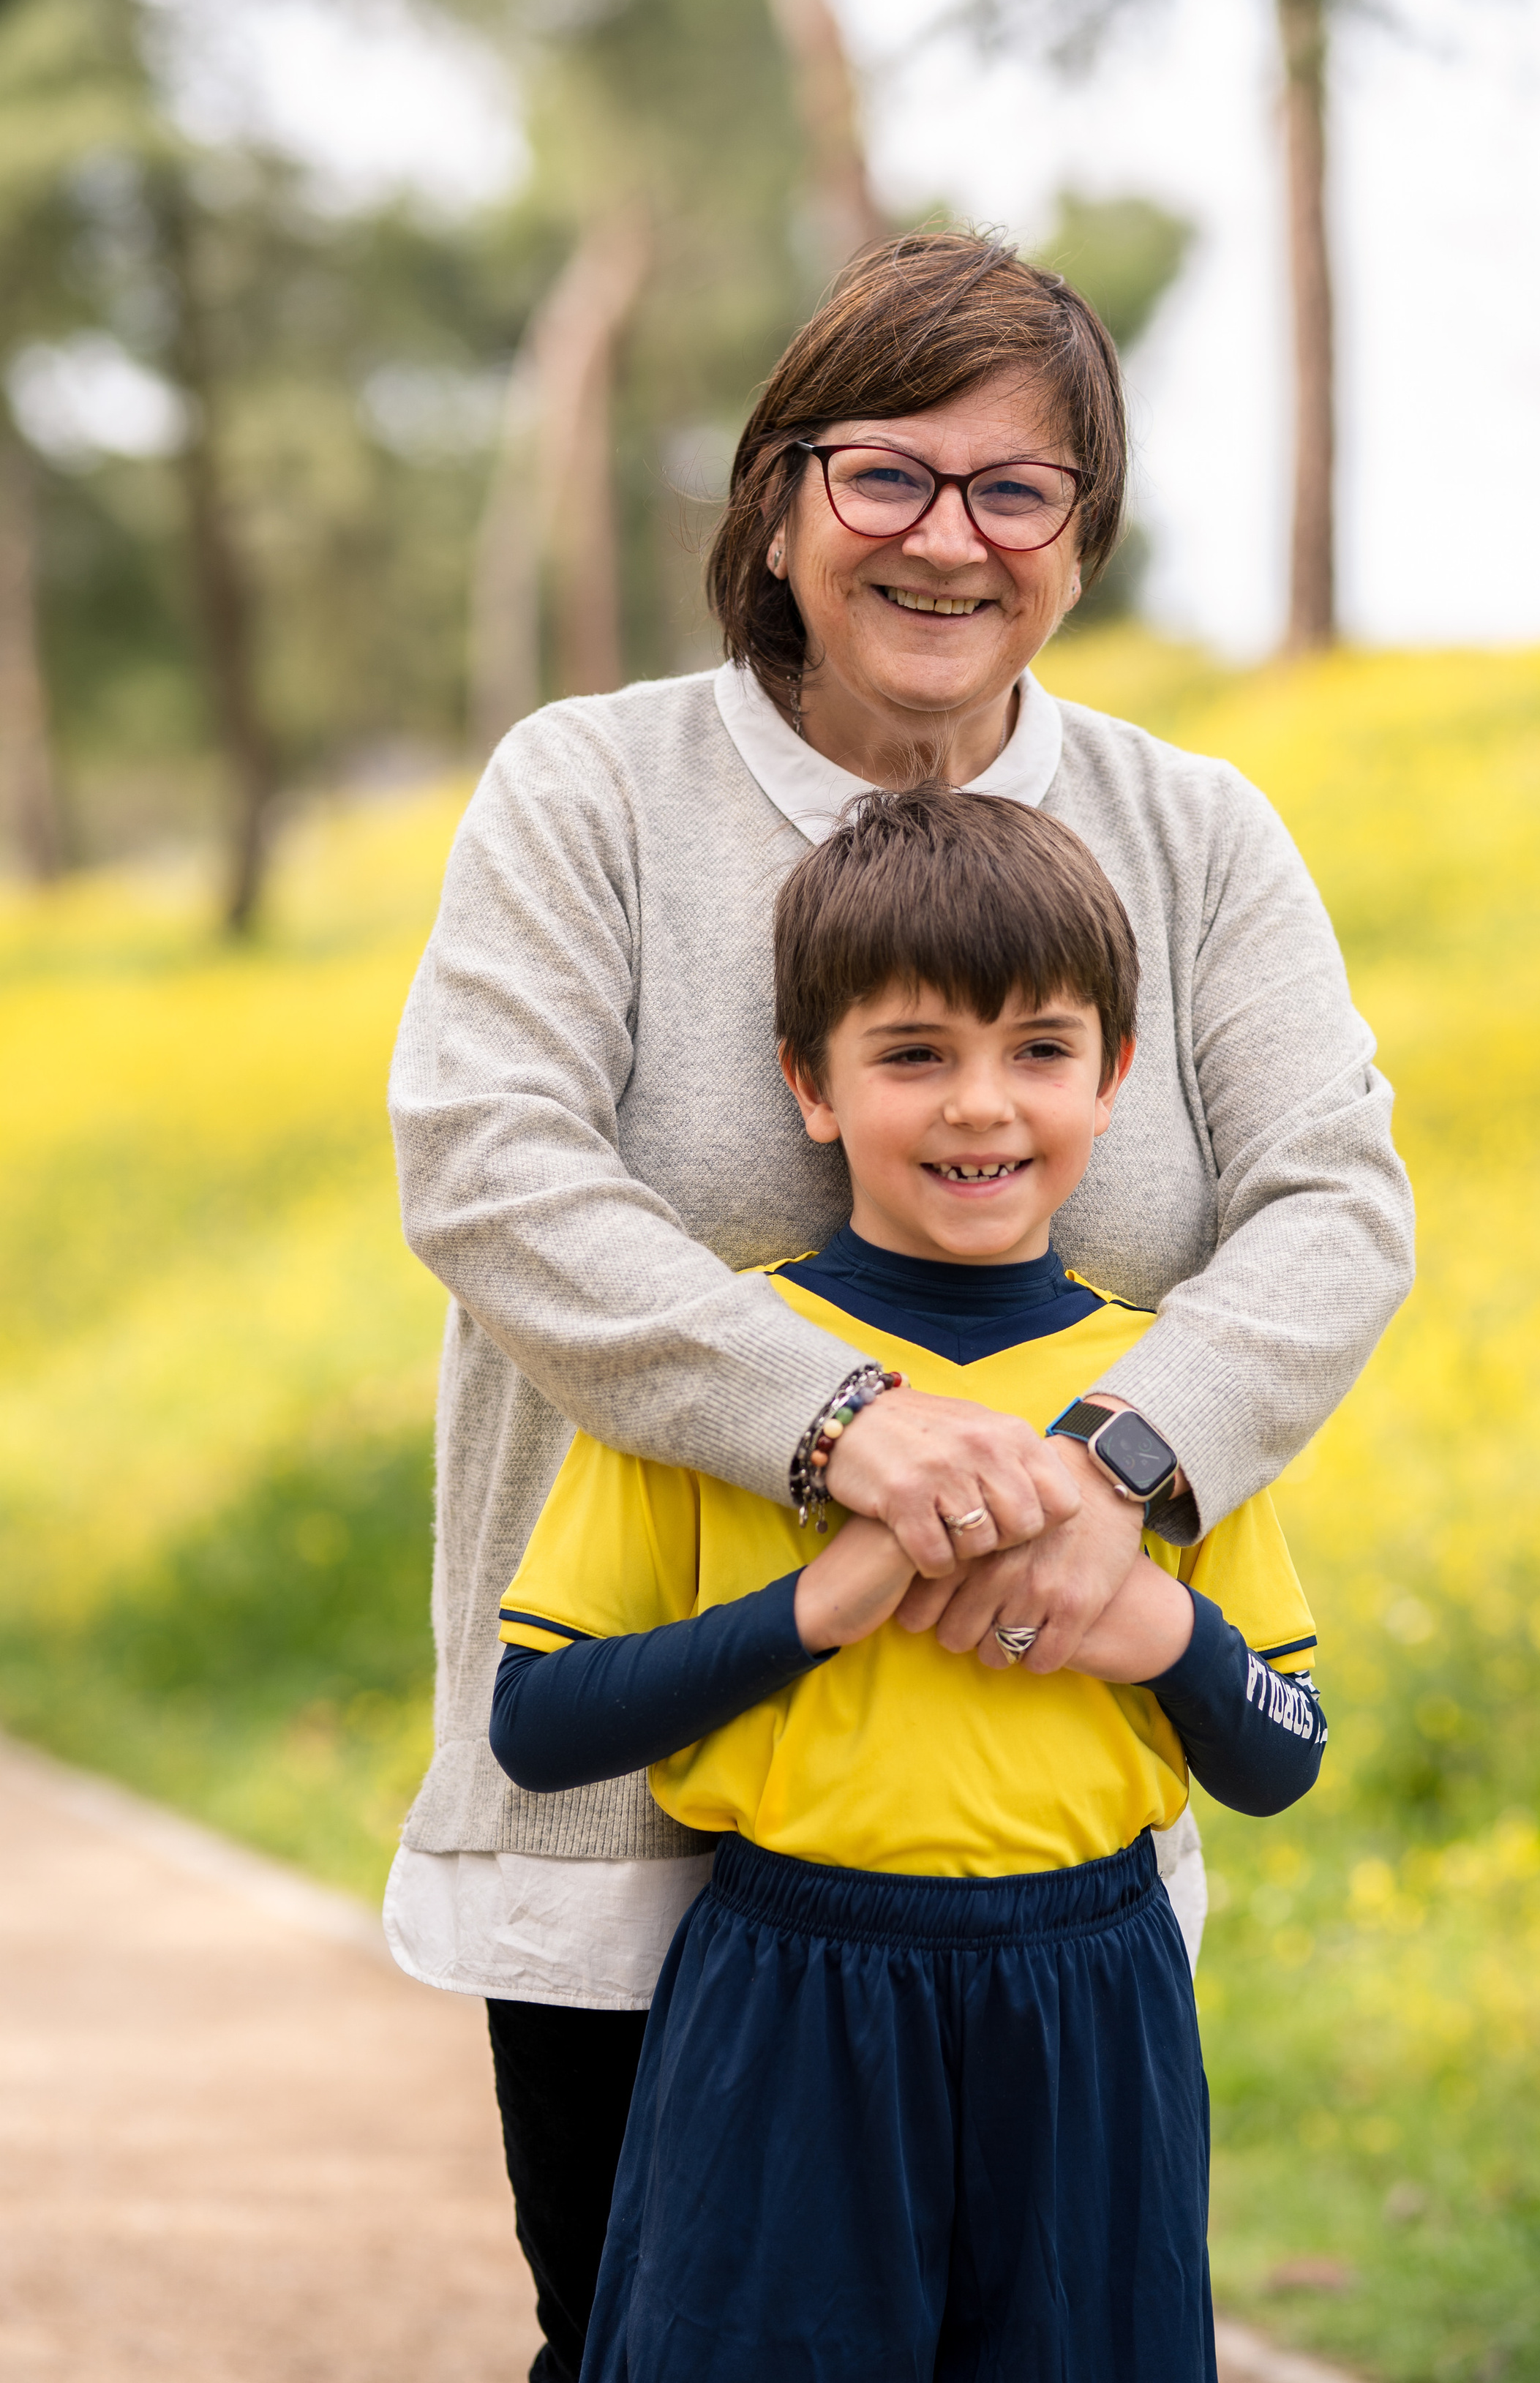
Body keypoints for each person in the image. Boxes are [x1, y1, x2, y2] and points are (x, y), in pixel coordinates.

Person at [384, 231, 1412, 2383]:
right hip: (633, 1829)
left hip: (1030, 1849)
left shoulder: (1196, 835)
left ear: (1079, 536)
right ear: (777, 499)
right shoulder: (591, 789)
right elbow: (491, 1162)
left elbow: (1336, 1205)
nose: (949, 538)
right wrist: (846, 1419)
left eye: (1016, 489)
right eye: (887, 474)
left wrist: (1116, 1474)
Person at [489, 787, 1329, 2383]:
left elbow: (1283, 1744)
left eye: (1037, 1048)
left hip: (1090, 1990)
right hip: (786, 1987)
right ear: (810, 1082)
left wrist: (1149, 1616)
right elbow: (536, 1719)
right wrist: (828, 1593)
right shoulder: (711, 1373)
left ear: (1113, 1077)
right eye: (911, 1053)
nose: (978, 1106)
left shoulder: (1162, 1396)